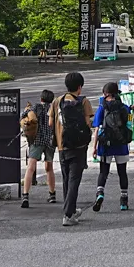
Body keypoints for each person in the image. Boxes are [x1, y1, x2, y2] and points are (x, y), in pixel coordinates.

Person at [51, 72, 92, 225]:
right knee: (74, 180)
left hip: (62, 147)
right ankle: (68, 215)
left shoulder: (57, 101)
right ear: (80, 87)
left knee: (67, 179)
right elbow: (89, 123)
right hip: (79, 146)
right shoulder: (84, 102)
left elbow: (50, 123)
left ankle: (71, 210)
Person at [92, 81, 134, 212]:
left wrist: (94, 147)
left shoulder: (102, 107)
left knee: (103, 172)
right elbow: (129, 123)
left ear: (105, 94)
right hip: (121, 145)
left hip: (105, 146)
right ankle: (124, 201)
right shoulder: (124, 107)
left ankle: (100, 194)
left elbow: (96, 128)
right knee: (122, 172)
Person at [20, 89, 57, 208]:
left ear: (41, 99)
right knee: (49, 167)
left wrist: (26, 110)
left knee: (31, 167)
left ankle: (25, 195)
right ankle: (52, 194)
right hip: (50, 141)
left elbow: (24, 116)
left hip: (37, 141)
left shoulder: (36, 107)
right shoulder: (54, 109)